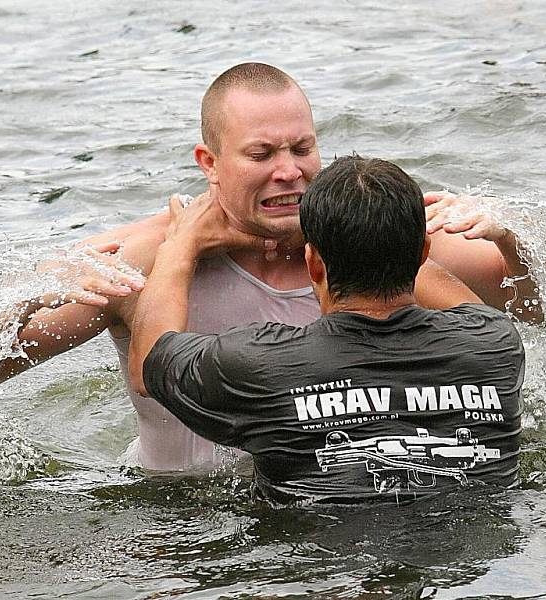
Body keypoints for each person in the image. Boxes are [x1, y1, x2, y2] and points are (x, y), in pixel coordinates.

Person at [0, 63, 536, 471]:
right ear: (210, 163)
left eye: (302, 148)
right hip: (177, 518)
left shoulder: (376, 245)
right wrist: (35, 290)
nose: (289, 172)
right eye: (262, 154)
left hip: (326, 508)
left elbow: (543, 308)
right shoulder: (146, 258)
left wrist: (511, 238)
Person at [128, 155, 525, 504]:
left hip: (318, 570)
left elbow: (150, 360)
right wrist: (392, 243)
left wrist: (180, 246)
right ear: (423, 253)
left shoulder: (257, 364)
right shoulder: (494, 342)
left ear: (314, 264)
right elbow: (463, 304)